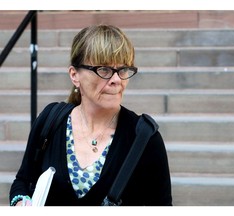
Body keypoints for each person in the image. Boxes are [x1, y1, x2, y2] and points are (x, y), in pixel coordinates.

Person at [9, 24, 172, 206]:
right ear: (74, 75)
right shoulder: (51, 119)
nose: (116, 80)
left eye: (123, 69)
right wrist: (20, 202)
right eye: (104, 69)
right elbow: (23, 180)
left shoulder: (144, 137)